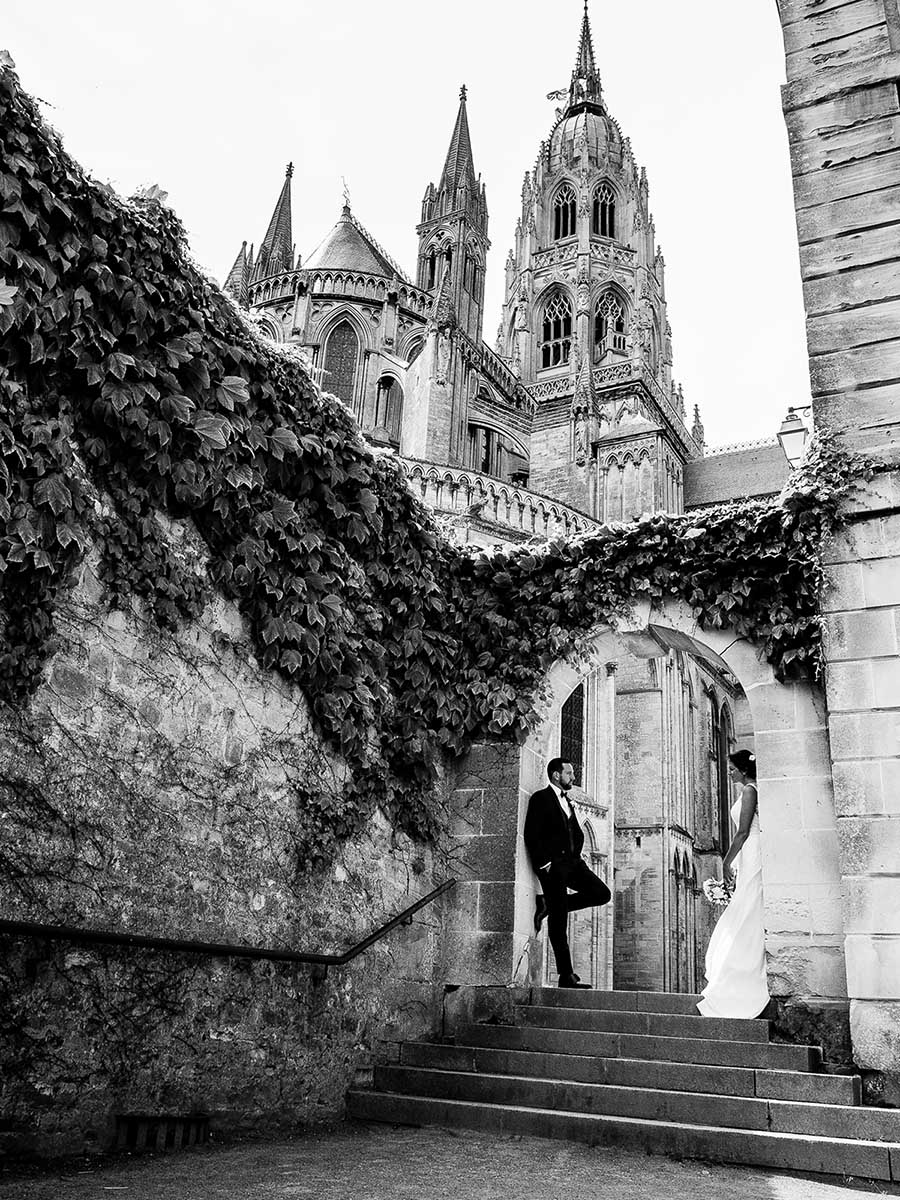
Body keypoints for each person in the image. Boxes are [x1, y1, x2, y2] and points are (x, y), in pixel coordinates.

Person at [523, 757, 611, 989]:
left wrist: (578, 856)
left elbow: (573, 832)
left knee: (602, 893)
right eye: (569, 773)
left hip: (573, 864)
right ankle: (566, 976)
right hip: (553, 868)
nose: (573, 777)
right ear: (555, 775)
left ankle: (548, 905)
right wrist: (544, 865)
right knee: (559, 923)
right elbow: (532, 834)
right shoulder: (541, 799)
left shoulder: (568, 801)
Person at [697, 749, 769, 1019]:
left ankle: (744, 972)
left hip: (751, 849)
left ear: (742, 770)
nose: (728, 771)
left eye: (731, 768)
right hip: (749, 852)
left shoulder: (750, 791)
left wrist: (727, 862)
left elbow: (742, 832)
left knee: (748, 906)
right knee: (745, 906)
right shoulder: (747, 790)